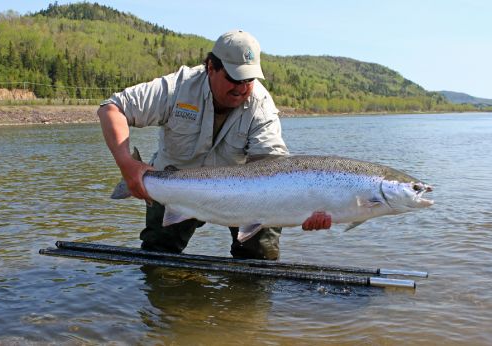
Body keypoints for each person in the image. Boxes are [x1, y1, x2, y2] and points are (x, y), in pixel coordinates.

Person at [98, 30, 331, 260]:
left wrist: (304, 209)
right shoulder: (177, 87)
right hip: (173, 189)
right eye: (233, 78)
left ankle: (243, 298)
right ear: (211, 67)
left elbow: (274, 167)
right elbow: (111, 108)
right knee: (159, 257)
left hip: (242, 197)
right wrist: (127, 165)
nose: (241, 88)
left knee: (259, 260)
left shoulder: (261, 106)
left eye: (248, 79)